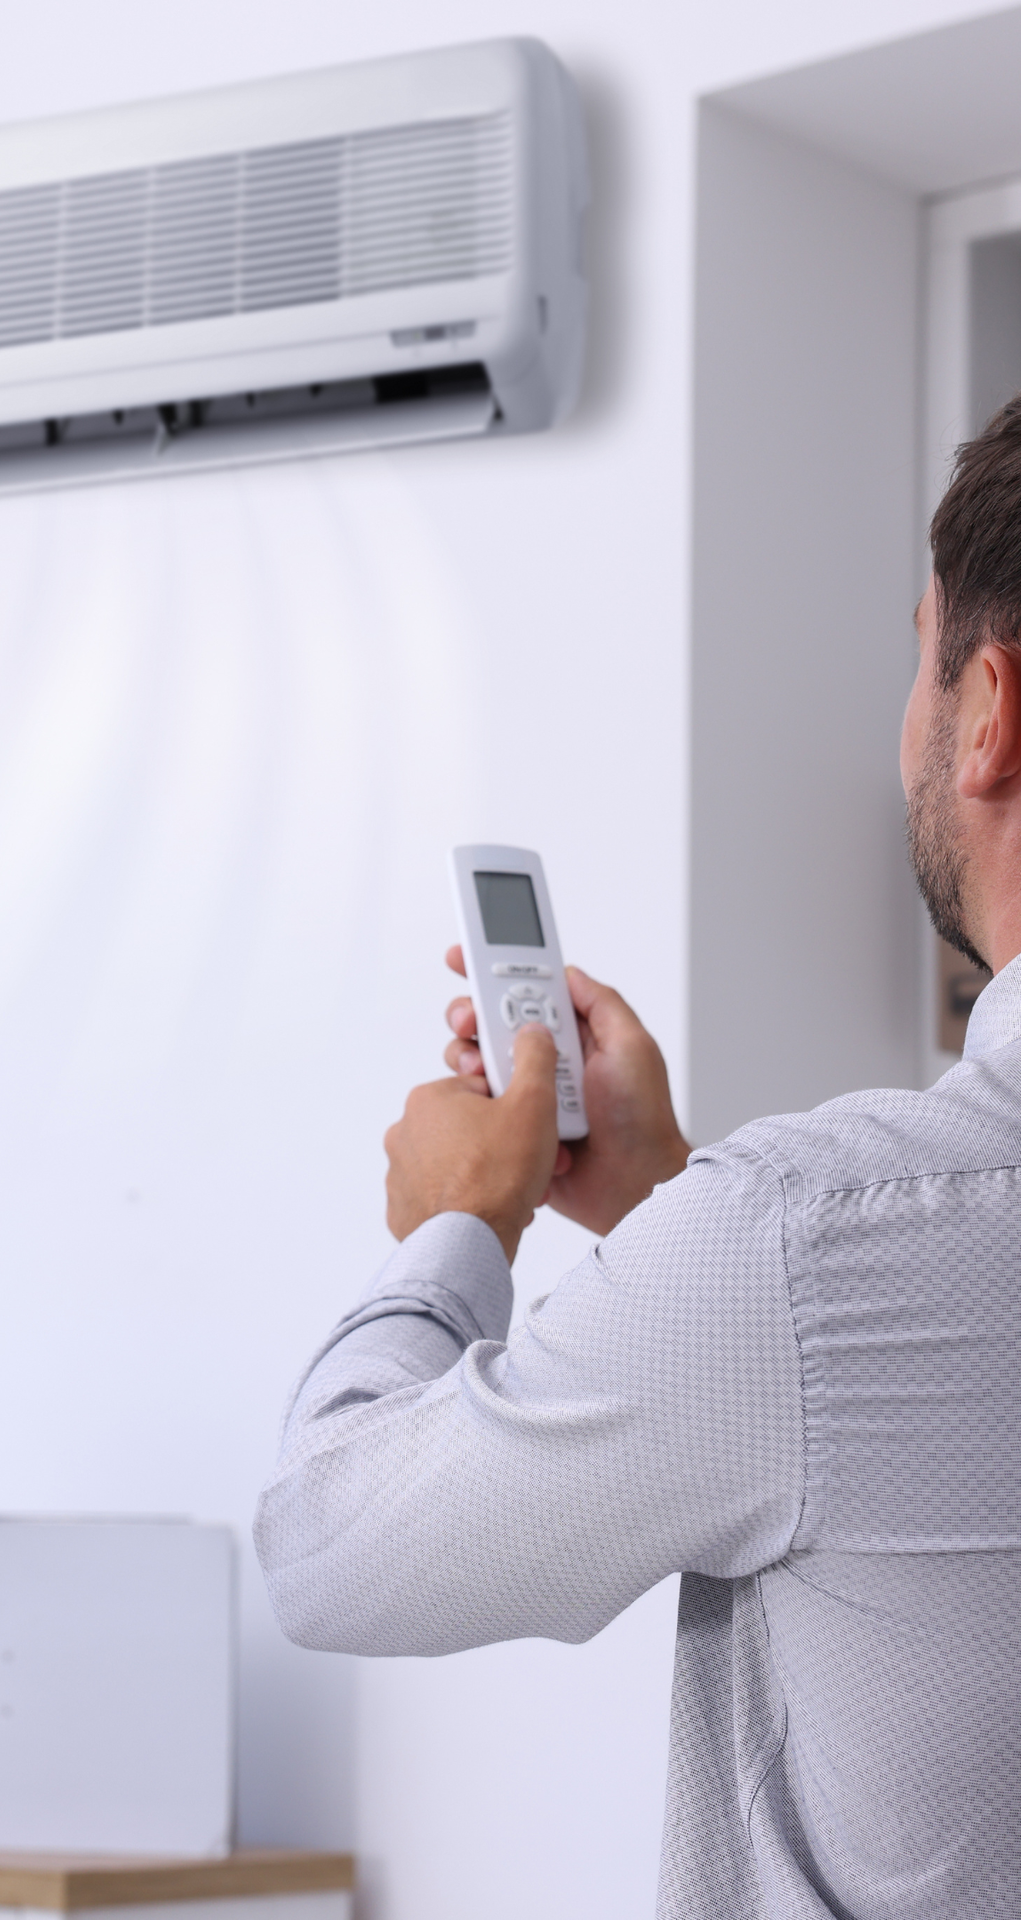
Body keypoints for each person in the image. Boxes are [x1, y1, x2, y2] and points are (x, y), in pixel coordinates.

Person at [254, 395, 1021, 1920]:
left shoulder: (797, 1248)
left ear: (991, 709)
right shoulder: (791, 1256)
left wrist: (454, 1229)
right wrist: (678, 1199)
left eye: (919, 654)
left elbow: (328, 1550)